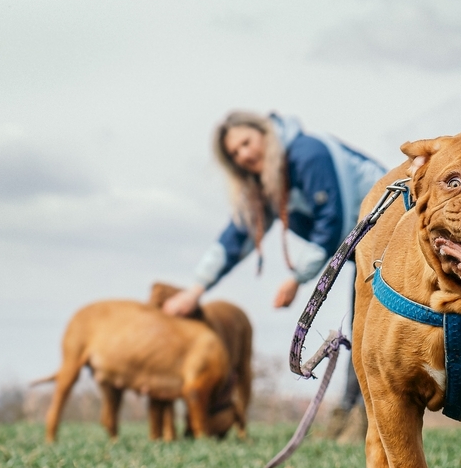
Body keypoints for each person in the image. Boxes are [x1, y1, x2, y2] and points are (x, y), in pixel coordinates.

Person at [163, 111, 386, 431]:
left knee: (371, 330)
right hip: (365, 251)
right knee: (363, 328)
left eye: (246, 143)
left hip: (394, 237)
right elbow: (237, 236)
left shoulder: (308, 154)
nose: (243, 155)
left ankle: (360, 416)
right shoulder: (269, 184)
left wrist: (297, 279)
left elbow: (331, 220)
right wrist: (196, 289)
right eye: (234, 154)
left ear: (265, 134)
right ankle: (352, 415)